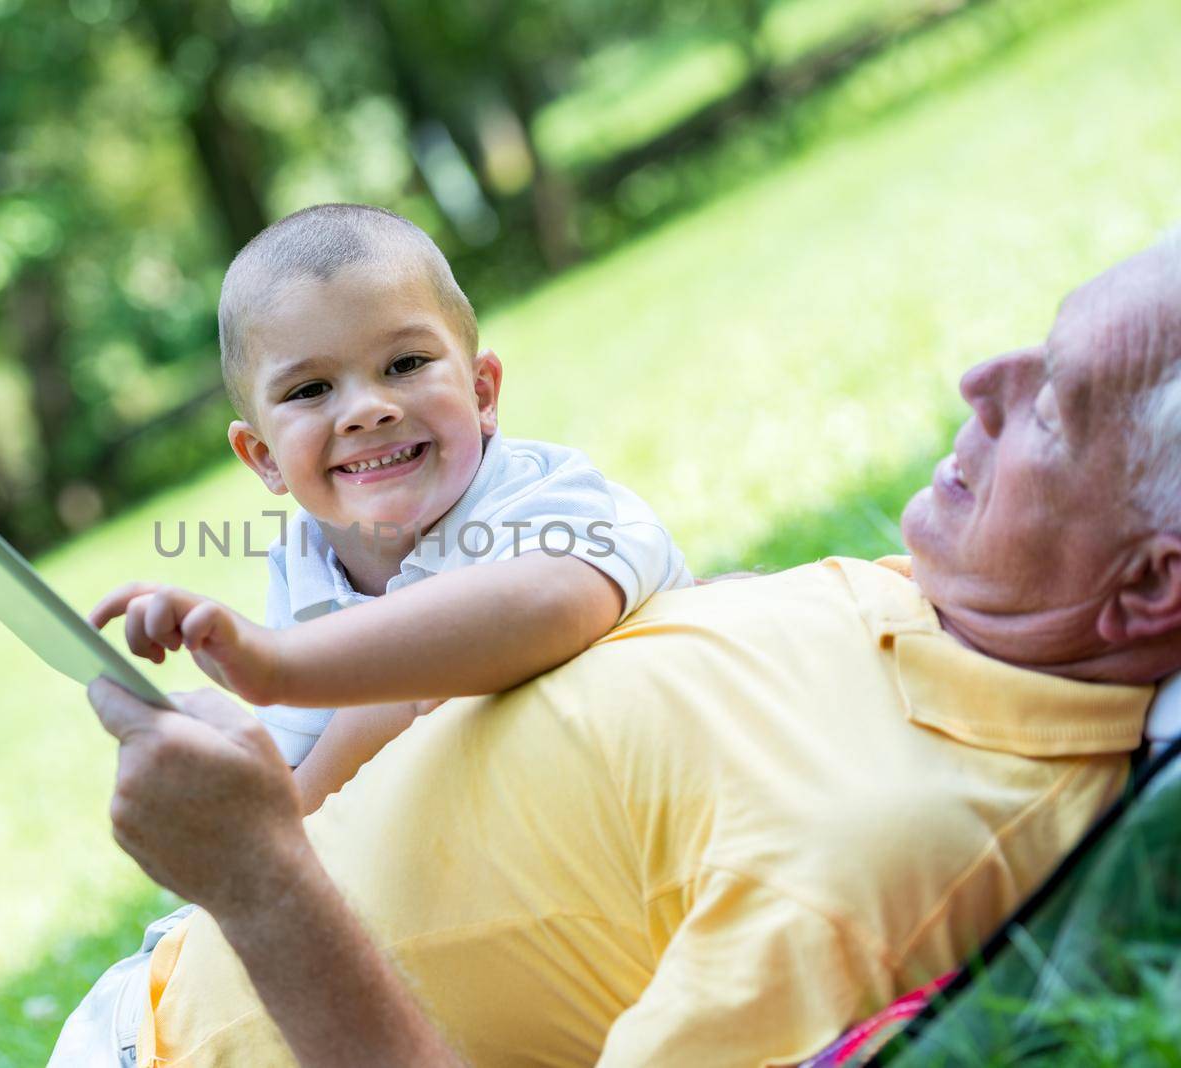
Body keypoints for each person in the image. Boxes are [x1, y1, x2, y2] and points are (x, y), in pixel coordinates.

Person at [59, 233, 1181, 1068]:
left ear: (1150, 585)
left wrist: (257, 879)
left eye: (1056, 407)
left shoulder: (875, 848)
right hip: (144, 997)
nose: (981, 381)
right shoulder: (939, 609)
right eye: (1035, 346)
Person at [90, 203, 690, 812]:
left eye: (405, 364)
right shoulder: (304, 569)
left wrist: (279, 674)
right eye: (310, 389)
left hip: (677, 791)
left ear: (481, 393)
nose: (367, 409)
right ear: (264, 456)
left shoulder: (546, 492)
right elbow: (303, 755)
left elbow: (542, 610)